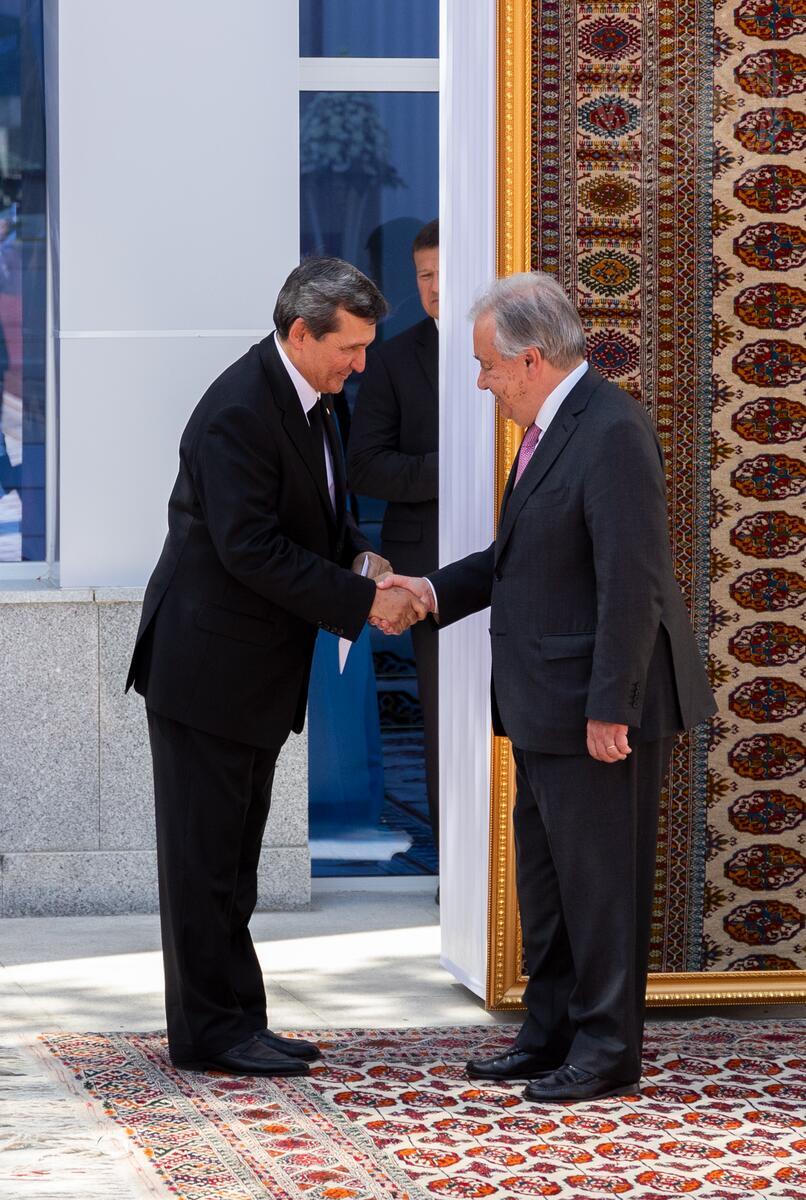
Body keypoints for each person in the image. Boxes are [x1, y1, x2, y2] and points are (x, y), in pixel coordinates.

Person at [378, 272, 716, 1103]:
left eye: (487, 366)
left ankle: (606, 1051)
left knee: (601, 888)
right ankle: (550, 1032)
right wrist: (430, 592)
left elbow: (633, 582)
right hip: (542, 706)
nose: (483, 383)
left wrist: (610, 707)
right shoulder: (550, 429)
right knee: (551, 881)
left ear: (531, 359)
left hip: (597, 710)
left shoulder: (612, 430)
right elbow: (519, 558)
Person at [126, 257, 425, 1078]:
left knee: (235, 865)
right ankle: (209, 1035)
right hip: (206, 673)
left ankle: (239, 1022)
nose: (359, 365)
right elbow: (250, 548)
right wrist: (363, 602)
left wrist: (362, 561)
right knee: (205, 867)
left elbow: (321, 518)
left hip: (250, 674)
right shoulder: (238, 410)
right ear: (301, 332)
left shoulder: (314, 398)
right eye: (350, 348)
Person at [348, 219, 440, 855]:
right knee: (441, 716)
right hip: (425, 562)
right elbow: (366, 466)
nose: (433, 287)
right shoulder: (392, 358)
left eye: (444, 274)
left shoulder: (523, 353)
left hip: (518, 562)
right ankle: (455, 868)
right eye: (423, 276)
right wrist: (453, 469)